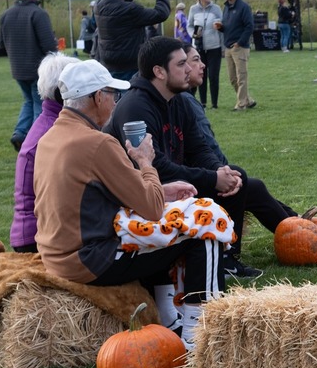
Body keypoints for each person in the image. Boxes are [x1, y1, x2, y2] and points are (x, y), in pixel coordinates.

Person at [34, 59, 219, 350]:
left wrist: (163, 188)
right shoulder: (98, 143)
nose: (116, 102)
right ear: (98, 97)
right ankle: (199, 338)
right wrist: (146, 161)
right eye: (113, 94)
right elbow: (153, 208)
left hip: (55, 254)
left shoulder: (50, 138)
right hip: (89, 260)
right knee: (204, 232)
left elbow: (106, 188)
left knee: (155, 231)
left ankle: (168, 318)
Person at [106, 36, 265, 280]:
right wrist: (212, 178)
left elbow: (198, 148)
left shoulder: (177, 99)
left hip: (174, 186)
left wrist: (219, 172)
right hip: (142, 197)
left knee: (236, 176)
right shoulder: (136, 107)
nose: (190, 69)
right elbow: (155, 167)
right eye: (181, 64)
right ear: (159, 71)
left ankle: (227, 258)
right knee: (223, 181)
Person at [176, 42, 299, 260]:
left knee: (252, 186)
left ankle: (298, 224)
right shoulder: (185, 102)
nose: (202, 65)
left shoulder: (184, 99)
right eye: (195, 60)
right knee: (250, 185)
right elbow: (205, 148)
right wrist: (223, 174)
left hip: (202, 175)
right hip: (196, 183)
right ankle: (298, 233)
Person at [10, 53, 77, 253]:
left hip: (41, 231)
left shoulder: (52, 122)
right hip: (38, 237)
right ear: (62, 92)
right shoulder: (54, 131)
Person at [0, 0, 57, 151]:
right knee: (41, 104)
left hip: (17, 68)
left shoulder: (6, 14)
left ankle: (20, 133)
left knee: (28, 101)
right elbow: (49, 45)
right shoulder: (38, 14)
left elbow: (0, 44)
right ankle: (37, 140)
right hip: (38, 69)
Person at [94, 0, 170, 80]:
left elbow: (117, 7)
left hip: (108, 66)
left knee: (114, 97)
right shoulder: (130, 10)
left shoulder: (98, 6)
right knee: (132, 96)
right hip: (129, 69)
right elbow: (161, 14)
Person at [218, 0, 256, 110]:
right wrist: (221, 28)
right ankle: (248, 100)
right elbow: (228, 27)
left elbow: (249, 26)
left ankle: (241, 104)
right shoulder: (226, 7)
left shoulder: (244, 7)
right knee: (233, 79)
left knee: (241, 77)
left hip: (240, 47)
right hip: (228, 47)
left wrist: (240, 42)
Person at [188, 0, 223, 109]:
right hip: (199, 47)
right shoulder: (193, 9)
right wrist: (193, 34)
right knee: (201, 75)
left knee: (213, 76)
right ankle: (203, 103)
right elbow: (189, 25)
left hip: (214, 46)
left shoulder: (216, 8)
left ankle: (214, 104)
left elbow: (223, 27)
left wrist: (219, 27)